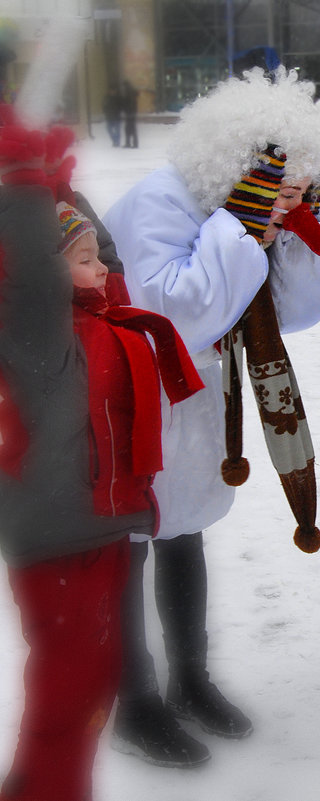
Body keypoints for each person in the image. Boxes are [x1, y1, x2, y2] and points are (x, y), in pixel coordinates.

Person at [103, 67, 320, 767]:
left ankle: (190, 678)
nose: (290, 205)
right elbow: (174, 310)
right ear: (244, 168)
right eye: (284, 192)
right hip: (132, 398)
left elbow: (292, 311)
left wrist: (292, 232)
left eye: (305, 192)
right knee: (129, 543)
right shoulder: (162, 201)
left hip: (194, 399)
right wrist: (239, 228)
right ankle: (135, 699)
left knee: (184, 533)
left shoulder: (241, 214)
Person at [0, 114, 201, 801]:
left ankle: (46, 786)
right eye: (86, 261)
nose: (106, 271)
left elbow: (80, 250)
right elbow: (30, 265)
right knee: (68, 692)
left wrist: (58, 184)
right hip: (60, 539)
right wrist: (25, 181)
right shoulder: (38, 337)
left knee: (90, 688)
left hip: (101, 529)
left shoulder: (95, 314)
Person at [121, 79, 138, 148]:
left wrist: (128, 111)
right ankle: (132, 143)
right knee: (130, 128)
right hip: (131, 113)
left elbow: (129, 103)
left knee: (129, 128)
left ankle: (131, 143)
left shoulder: (129, 92)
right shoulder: (131, 92)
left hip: (130, 113)